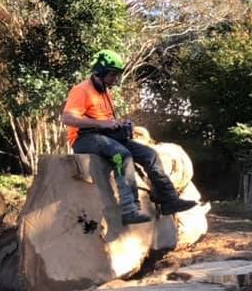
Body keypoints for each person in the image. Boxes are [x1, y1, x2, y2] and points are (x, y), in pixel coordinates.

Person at [61, 49, 197, 225]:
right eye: (112, 74)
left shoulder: (105, 92)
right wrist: (101, 124)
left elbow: (106, 119)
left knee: (150, 155)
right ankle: (129, 209)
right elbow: (67, 118)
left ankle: (169, 200)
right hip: (83, 139)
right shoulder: (81, 90)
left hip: (104, 136)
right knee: (121, 155)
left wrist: (120, 124)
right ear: (100, 72)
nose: (115, 79)